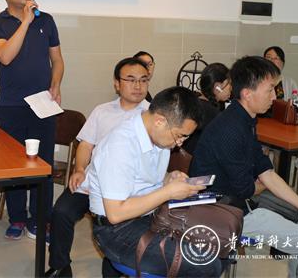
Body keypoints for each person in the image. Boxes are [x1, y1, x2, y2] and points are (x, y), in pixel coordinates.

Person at [190, 56, 298, 278]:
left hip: (239, 204)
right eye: (270, 90)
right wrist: (260, 184)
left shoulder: (244, 119)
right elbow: (246, 189)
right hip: (224, 212)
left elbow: (266, 172)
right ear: (247, 93)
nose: (274, 97)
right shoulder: (230, 129)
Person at [84, 87, 220, 277]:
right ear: (159, 121)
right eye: (180, 135)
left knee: (218, 240)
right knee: (205, 263)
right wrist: (168, 192)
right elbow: (115, 213)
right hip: (116, 230)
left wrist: (168, 178)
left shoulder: (157, 134)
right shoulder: (120, 145)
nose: (180, 143)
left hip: (149, 215)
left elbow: (144, 176)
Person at [45, 57, 150, 277]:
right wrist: (79, 169)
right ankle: (60, 266)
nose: (138, 86)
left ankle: (116, 269)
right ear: (117, 84)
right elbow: (85, 145)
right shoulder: (102, 111)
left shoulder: (152, 116)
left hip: (128, 189)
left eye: (143, 80)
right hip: (93, 181)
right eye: (131, 80)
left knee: (114, 225)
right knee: (61, 211)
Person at [0, 0, 64, 241]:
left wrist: (56, 84)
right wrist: (26, 21)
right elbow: (5, 56)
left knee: (43, 164)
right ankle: (17, 218)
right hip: (11, 106)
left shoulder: (47, 20)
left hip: (43, 105)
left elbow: (58, 60)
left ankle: (40, 219)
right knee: (15, 165)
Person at [181, 62, 231, 155]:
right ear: (217, 87)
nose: (231, 88)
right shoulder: (213, 114)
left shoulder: (195, 101)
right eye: (229, 84)